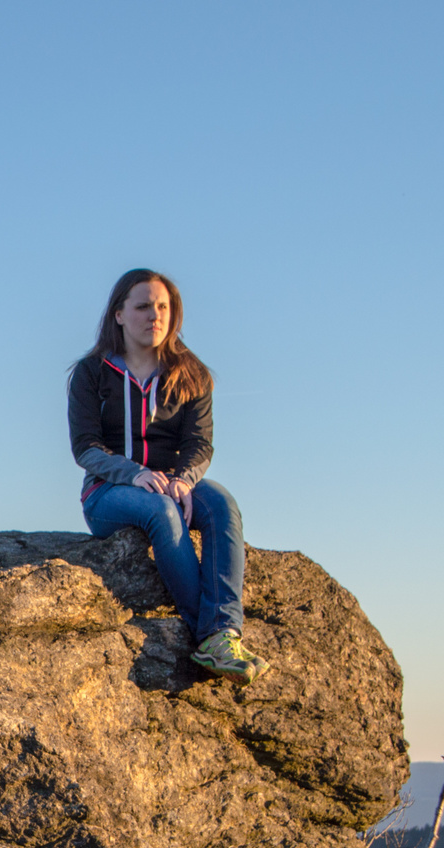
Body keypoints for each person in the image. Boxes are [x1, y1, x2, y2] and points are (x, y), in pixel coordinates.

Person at [66, 268, 269, 685]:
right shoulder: (91, 373)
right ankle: (209, 635)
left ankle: (225, 633)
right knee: (162, 510)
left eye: (163, 307)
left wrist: (185, 479)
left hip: (172, 482)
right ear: (119, 314)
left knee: (222, 505)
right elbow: (85, 447)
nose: (154, 316)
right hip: (109, 494)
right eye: (142, 306)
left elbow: (200, 444)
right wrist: (134, 474)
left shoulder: (191, 373)